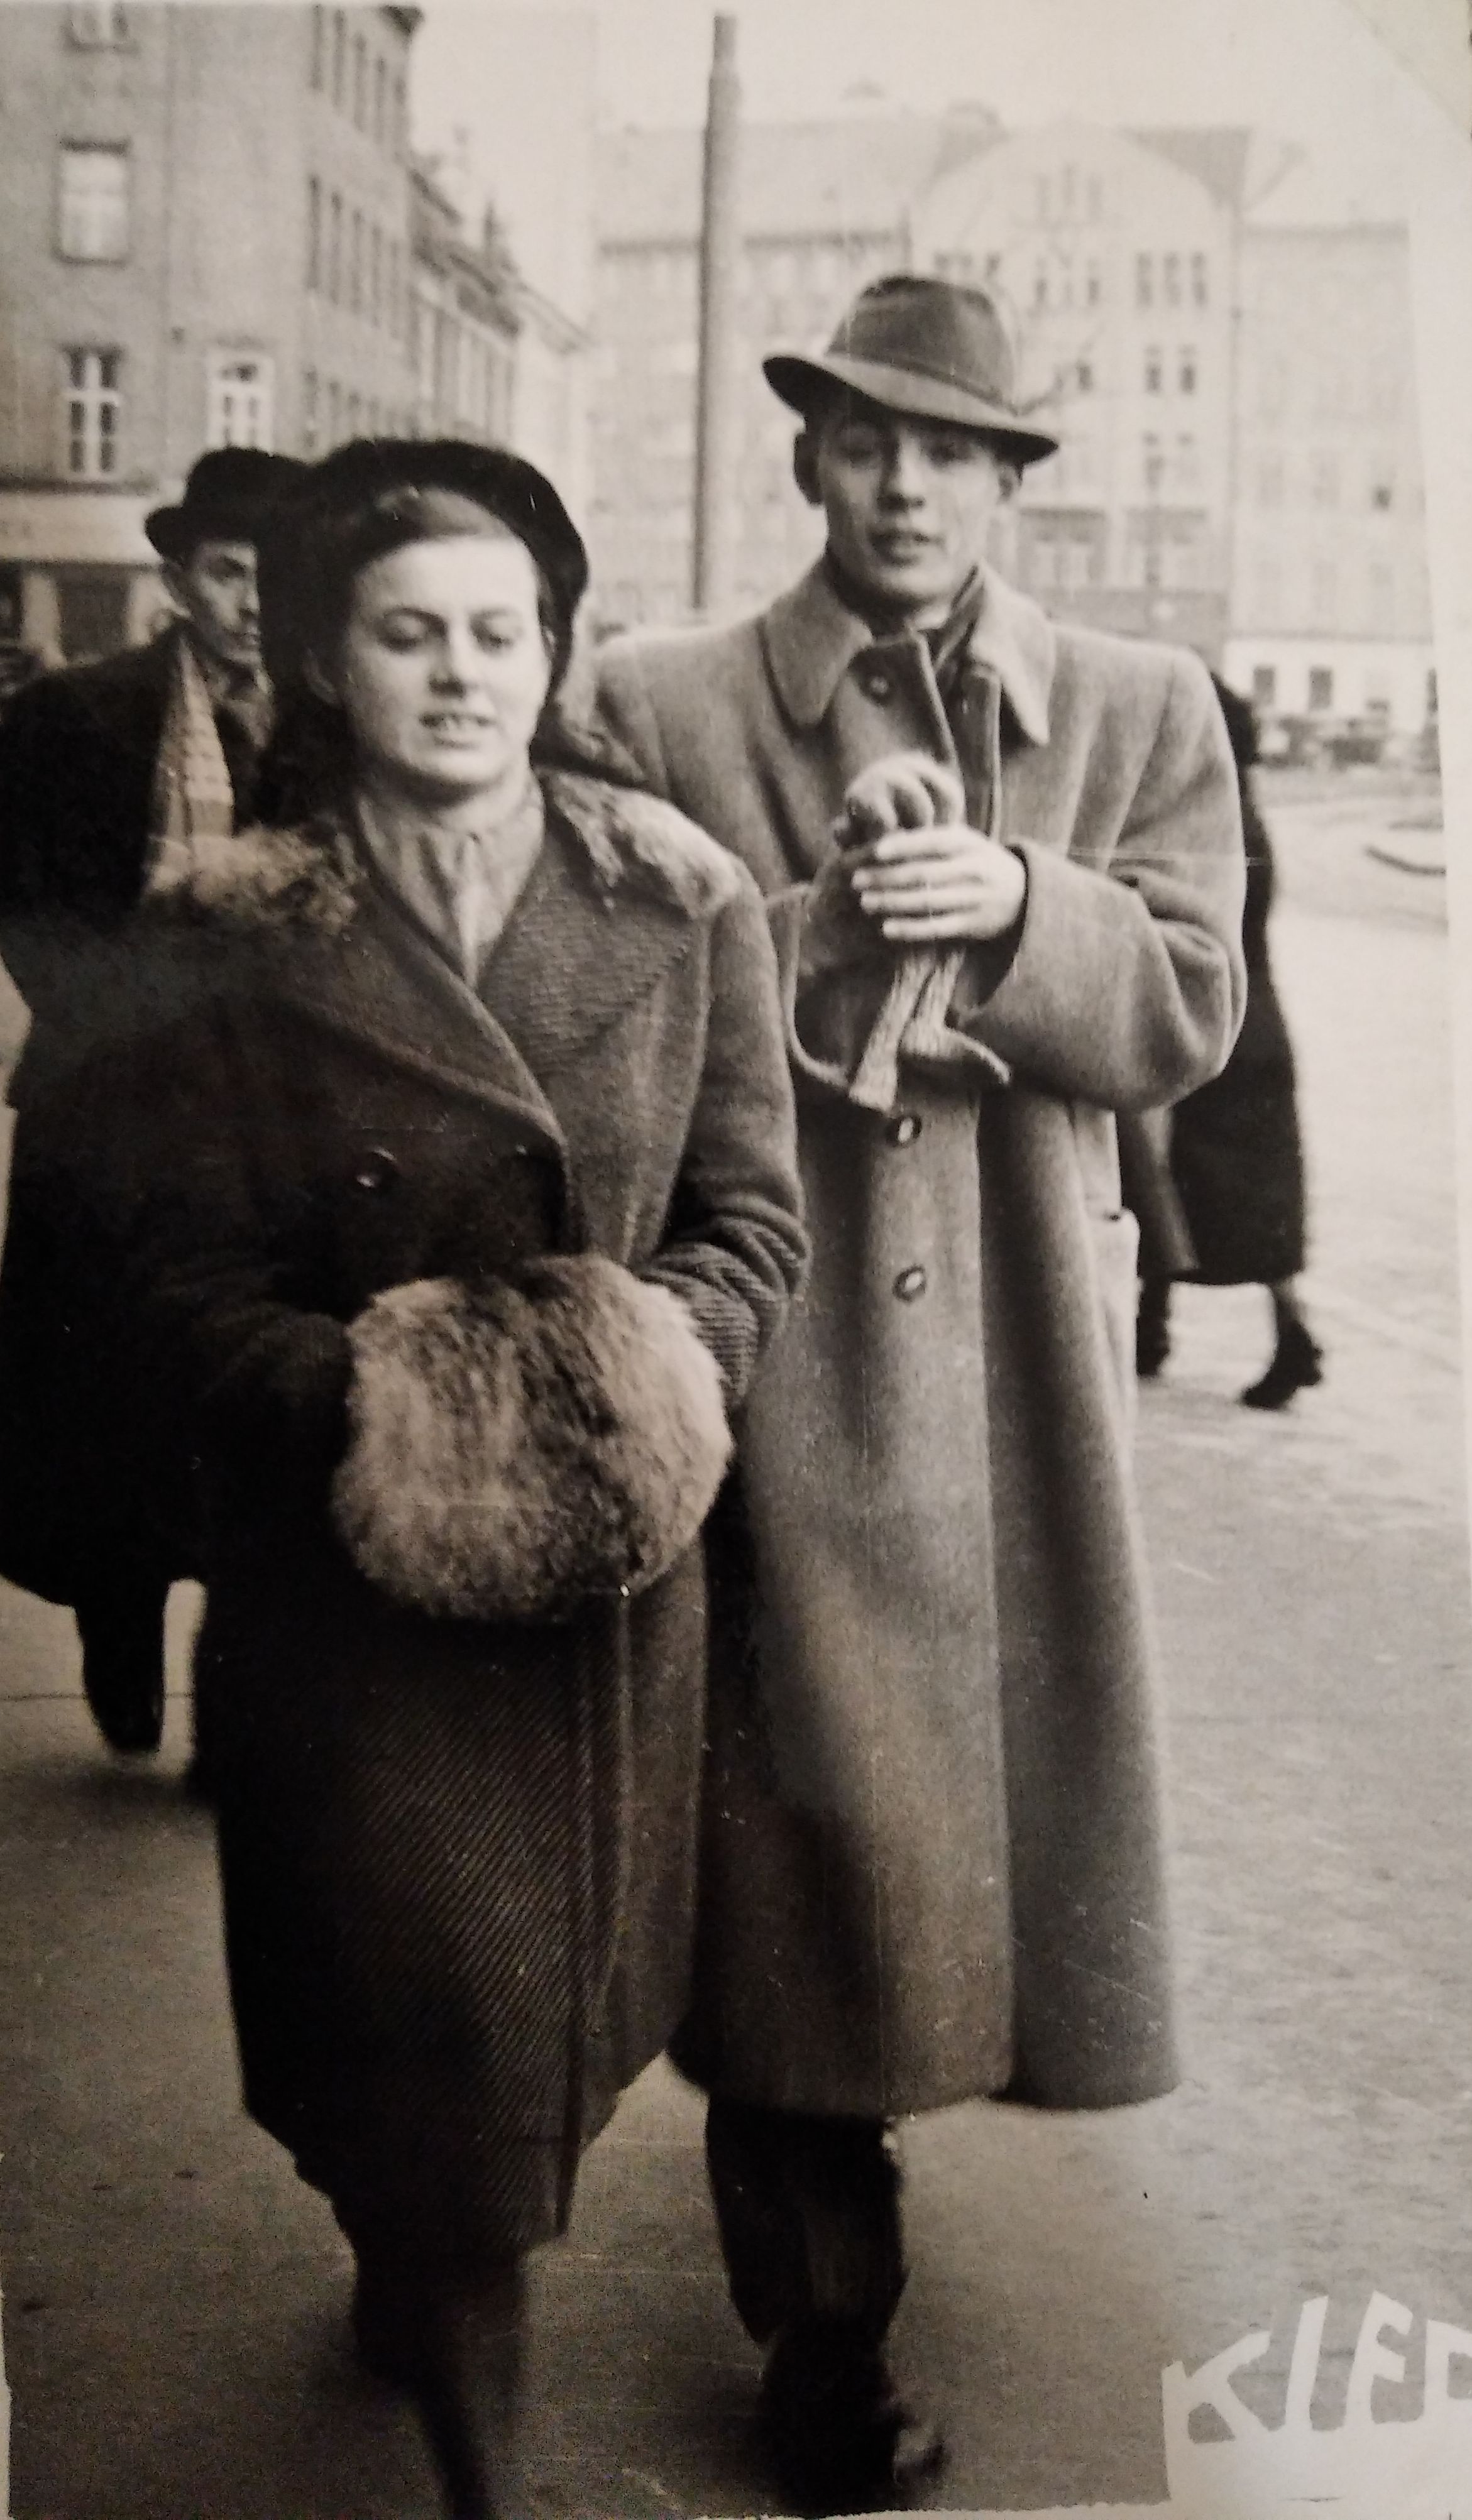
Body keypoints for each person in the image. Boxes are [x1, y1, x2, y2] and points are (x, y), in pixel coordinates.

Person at [26, 437, 806, 2517]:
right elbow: (169, 1274)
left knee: (523, 2055)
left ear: (551, 653)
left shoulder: (680, 897)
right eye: (407, 635)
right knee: (419, 2069)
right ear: (326, 659)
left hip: (608, 1578)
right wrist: (401, 1405)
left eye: (498, 633)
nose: (460, 673)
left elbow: (750, 1221)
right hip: (349, 1587)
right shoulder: (224, 931)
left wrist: (637, 1372)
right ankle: (472, 2436)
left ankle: (430, 2260)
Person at [595, 273, 1246, 2513]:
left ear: (1008, 478)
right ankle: (823, 2331)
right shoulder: (658, 699)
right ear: (808, 454)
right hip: (784, 1351)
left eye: (952, 449)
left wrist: (1031, 905)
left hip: (1018, 1376)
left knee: (973, 1840)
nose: (903, 485)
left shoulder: (1140, 706)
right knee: (796, 1845)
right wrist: (832, 922)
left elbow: (1191, 1004)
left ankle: (854, 2234)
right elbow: (603, 1007)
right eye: (866, 440)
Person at [0, 446, 306, 1755]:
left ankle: (233, 1689)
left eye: (278, 578)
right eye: (229, 572)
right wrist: (143, 1031)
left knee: (251, 1408)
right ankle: (117, 1626)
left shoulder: (329, 734)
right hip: (108, 1109)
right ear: (177, 579)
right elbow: (33, 920)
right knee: (108, 1403)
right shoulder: (78, 720)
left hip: (273, 1124)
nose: (254, 603)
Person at [1125, 674, 1323, 1408]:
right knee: (1212, 1182)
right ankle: (1157, 1324)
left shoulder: (1211, 817)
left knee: (1167, 1168)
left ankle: (1276, 1335)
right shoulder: (1246, 809)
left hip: (1216, 1018)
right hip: (1256, 1020)